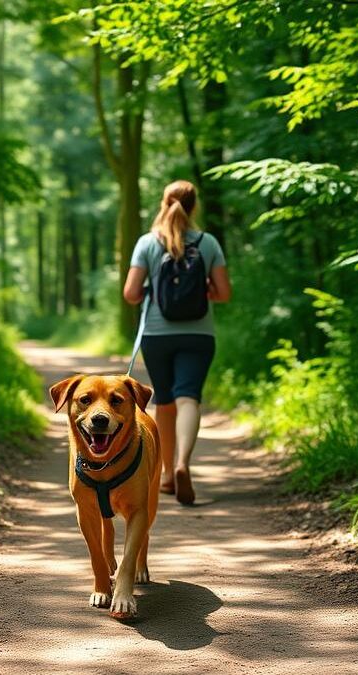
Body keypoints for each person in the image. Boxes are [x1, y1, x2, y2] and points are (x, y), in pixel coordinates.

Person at [122, 179, 231, 505]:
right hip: (198, 334)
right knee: (189, 399)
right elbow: (224, 293)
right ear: (194, 206)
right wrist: (205, 291)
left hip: (156, 334)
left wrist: (150, 292)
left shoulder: (147, 242)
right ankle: (183, 463)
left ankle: (168, 475)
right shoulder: (207, 242)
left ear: (163, 202)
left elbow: (130, 294)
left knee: (165, 401)